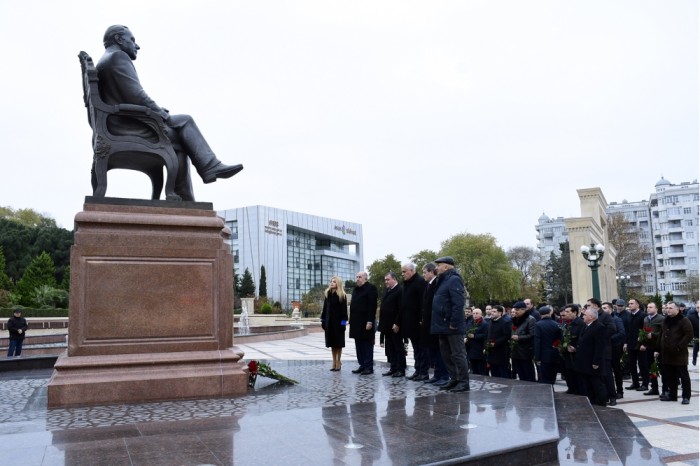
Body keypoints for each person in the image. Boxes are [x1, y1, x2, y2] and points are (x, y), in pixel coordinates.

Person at [96, 25, 243, 201]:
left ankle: (198, 181)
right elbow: (137, 96)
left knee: (181, 131)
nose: (137, 46)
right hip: (126, 126)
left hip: (117, 123)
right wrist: (161, 114)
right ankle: (199, 180)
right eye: (132, 40)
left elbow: (129, 96)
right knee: (184, 125)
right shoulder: (118, 57)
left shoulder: (105, 60)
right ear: (119, 39)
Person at [430, 256, 470, 392]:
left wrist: (453, 323)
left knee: (458, 354)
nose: (437, 268)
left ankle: (464, 382)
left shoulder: (454, 279)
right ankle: (454, 379)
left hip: (452, 326)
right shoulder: (442, 280)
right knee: (446, 354)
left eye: (439, 265)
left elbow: (458, 304)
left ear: (446, 266)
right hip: (442, 325)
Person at [420, 263, 449, 385]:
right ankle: (437, 374)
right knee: (432, 351)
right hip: (428, 323)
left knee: (439, 351)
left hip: (435, 322)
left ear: (431, 272)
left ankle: (444, 375)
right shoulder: (428, 285)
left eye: (425, 272)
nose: (423, 275)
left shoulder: (437, 284)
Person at [573, 307, 608, 407]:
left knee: (597, 384)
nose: (583, 316)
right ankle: (591, 402)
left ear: (591, 317)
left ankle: (601, 404)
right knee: (587, 384)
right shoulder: (586, 326)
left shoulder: (599, 327)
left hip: (593, 362)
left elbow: (599, 346)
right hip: (584, 362)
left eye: (585, 315)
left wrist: (596, 362)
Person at [659, 302, 693, 404]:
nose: (668, 310)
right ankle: (672, 395)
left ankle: (686, 396)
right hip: (667, 353)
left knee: (683, 376)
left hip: (679, 354)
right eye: (667, 308)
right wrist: (658, 349)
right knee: (671, 376)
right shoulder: (665, 320)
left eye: (670, 308)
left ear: (677, 310)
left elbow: (689, 335)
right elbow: (662, 334)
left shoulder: (684, 320)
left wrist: (679, 346)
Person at [399, 263, 428, 381]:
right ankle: (418, 370)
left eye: (404, 271)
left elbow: (423, 303)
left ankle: (423, 372)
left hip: (419, 323)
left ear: (411, 271)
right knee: (416, 348)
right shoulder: (407, 284)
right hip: (410, 322)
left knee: (422, 348)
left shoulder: (420, 282)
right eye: (402, 272)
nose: (403, 274)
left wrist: (422, 319)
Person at [349, 271, 378, 375]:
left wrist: (370, 321)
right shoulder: (356, 289)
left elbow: (372, 306)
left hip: (366, 323)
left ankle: (368, 367)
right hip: (356, 323)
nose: (357, 279)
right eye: (356, 277)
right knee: (359, 345)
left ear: (365, 278)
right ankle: (362, 365)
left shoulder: (371, 288)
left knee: (367, 345)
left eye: (360, 277)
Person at [379, 272, 405, 377]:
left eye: (388, 279)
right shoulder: (386, 290)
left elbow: (401, 309)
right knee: (390, 348)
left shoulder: (400, 290)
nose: (386, 282)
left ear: (394, 279)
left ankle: (401, 369)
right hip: (386, 325)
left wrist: (397, 323)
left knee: (398, 348)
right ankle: (393, 367)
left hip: (395, 325)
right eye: (385, 280)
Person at [320, 276, 348, 371]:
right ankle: (333, 362)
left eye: (334, 282)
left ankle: (338, 362)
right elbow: (324, 309)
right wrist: (323, 321)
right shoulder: (327, 294)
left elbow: (344, 312)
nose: (332, 283)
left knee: (338, 344)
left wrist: (343, 324)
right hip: (329, 323)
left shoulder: (342, 296)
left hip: (338, 324)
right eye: (331, 281)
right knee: (332, 343)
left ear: (338, 284)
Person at [602, 302, 626, 400]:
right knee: (606, 371)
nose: (603, 310)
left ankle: (619, 391)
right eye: (602, 308)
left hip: (615, 348)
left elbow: (621, 333)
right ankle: (608, 391)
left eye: (605, 308)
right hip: (605, 348)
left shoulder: (616, 319)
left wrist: (608, 339)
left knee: (616, 370)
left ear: (611, 309)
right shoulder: (602, 320)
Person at [639, 302, 663, 396]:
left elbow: (663, 333)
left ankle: (666, 389)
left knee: (661, 369)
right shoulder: (646, 318)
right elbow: (644, 332)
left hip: (657, 347)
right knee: (651, 369)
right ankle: (654, 388)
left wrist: (653, 335)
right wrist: (643, 343)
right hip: (648, 347)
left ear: (656, 309)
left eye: (651, 307)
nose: (648, 309)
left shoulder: (661, 319)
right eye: (647, 307)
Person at [534, 305, 562, 384]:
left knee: (544, 379)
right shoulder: (556, 324)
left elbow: (537, 341)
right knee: (552, 378)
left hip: (544, 356)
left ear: (540, 314)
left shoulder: (538, 325)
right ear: (550, 313)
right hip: (555, 355)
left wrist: (537, 357)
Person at [560, 304, 585, 394]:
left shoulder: (581, 323)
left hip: (576, 355)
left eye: (567, 312)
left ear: (574, 312)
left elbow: (582, 338)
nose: (565, 314)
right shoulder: (565, 323)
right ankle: (571, 389)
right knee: (568, 374)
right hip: (567, 354)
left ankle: (578, 391)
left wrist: (575, 347)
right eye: (565, 312)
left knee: (577, 375)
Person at [510, 301, 537, 382]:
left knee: (528, 373)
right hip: (515, 351)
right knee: (521, 373)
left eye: (517, 310)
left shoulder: (530, 319)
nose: (515, 311)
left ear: (523, 309)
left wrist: (519, 337)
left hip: (525, 351)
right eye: (515, 309)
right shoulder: (514, 319)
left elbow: (532, 334)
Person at [624, 298, 646, 391]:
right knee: (631, 364)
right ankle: (635, 383)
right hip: (630, 343)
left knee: (642, 364)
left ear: (637, 305)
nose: (630, 305)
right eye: (629, 303)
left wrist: (643, 343)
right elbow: (627, 330)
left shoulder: (643, 315)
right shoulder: (629, 316)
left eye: (632, 303)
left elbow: (645, 330)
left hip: (640, 344)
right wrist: (625, 343)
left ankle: (645, 384)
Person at [486, 305, 512, 378]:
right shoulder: (491, 322)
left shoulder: (505, 323)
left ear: (500, 313)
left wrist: (495, 343)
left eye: (494, 312)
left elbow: (506, 336)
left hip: (501, 352)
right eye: (492, 311)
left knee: (502, 373)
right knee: (494, 373)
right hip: (491, 351)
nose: (492, 313)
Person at [466, 308, 488, 376]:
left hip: (480, 349)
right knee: (474, 369)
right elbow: (466, 331)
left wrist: (474, 336)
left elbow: (486, 335)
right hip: (471, 348)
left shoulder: (484, 323)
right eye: (474, 313)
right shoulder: (471, 322)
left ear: (481, 314)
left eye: (477, 313)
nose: (475, 315)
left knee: (481, 369)